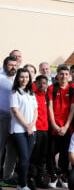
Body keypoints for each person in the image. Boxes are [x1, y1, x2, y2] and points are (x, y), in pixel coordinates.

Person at [47, 64, 74, 188]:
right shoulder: (51, 88)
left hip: (66, 127)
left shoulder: (72, 91)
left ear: (69, 75)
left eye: (66, 74)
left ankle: (64, 174)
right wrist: (54, 124)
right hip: (53, 125)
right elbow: (49, 106)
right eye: (61, 74)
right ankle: (53, 175)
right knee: (50, 152)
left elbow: (72, 110)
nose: (64, 76)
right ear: (57, 75)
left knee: (65, 152)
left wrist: (66, 126)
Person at [10, 68, 38, 190]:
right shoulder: (14, 93)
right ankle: (22, 184)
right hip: (18, 130)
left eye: (27, 77)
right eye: (22, 77)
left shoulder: (31, 93)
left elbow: (35, 111)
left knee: (27, 158)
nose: (24, 79)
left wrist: (32, 124)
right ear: (18, 78)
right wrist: (26, 126)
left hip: (32, 130)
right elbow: (15, 111)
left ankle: (21, 183)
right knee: (24, 158)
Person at [28, 75, 49, 190]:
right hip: (36, 128)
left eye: (44, 83)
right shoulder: (32, 95)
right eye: (40, 83)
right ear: (35, 83)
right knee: (34, 155)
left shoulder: (47, 96)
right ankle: (31, 178)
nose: (42, 85)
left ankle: (39, 178)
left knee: (42, 156)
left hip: (46, 129)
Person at [0, 56, 18, 187]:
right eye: (10, 65)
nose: (13, 67)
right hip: (3, 116)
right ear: (5, 65)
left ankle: (7, 177)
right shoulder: (0, 77)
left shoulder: (18, 78)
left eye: (15, 65)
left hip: (15, 119)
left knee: (12, 149)